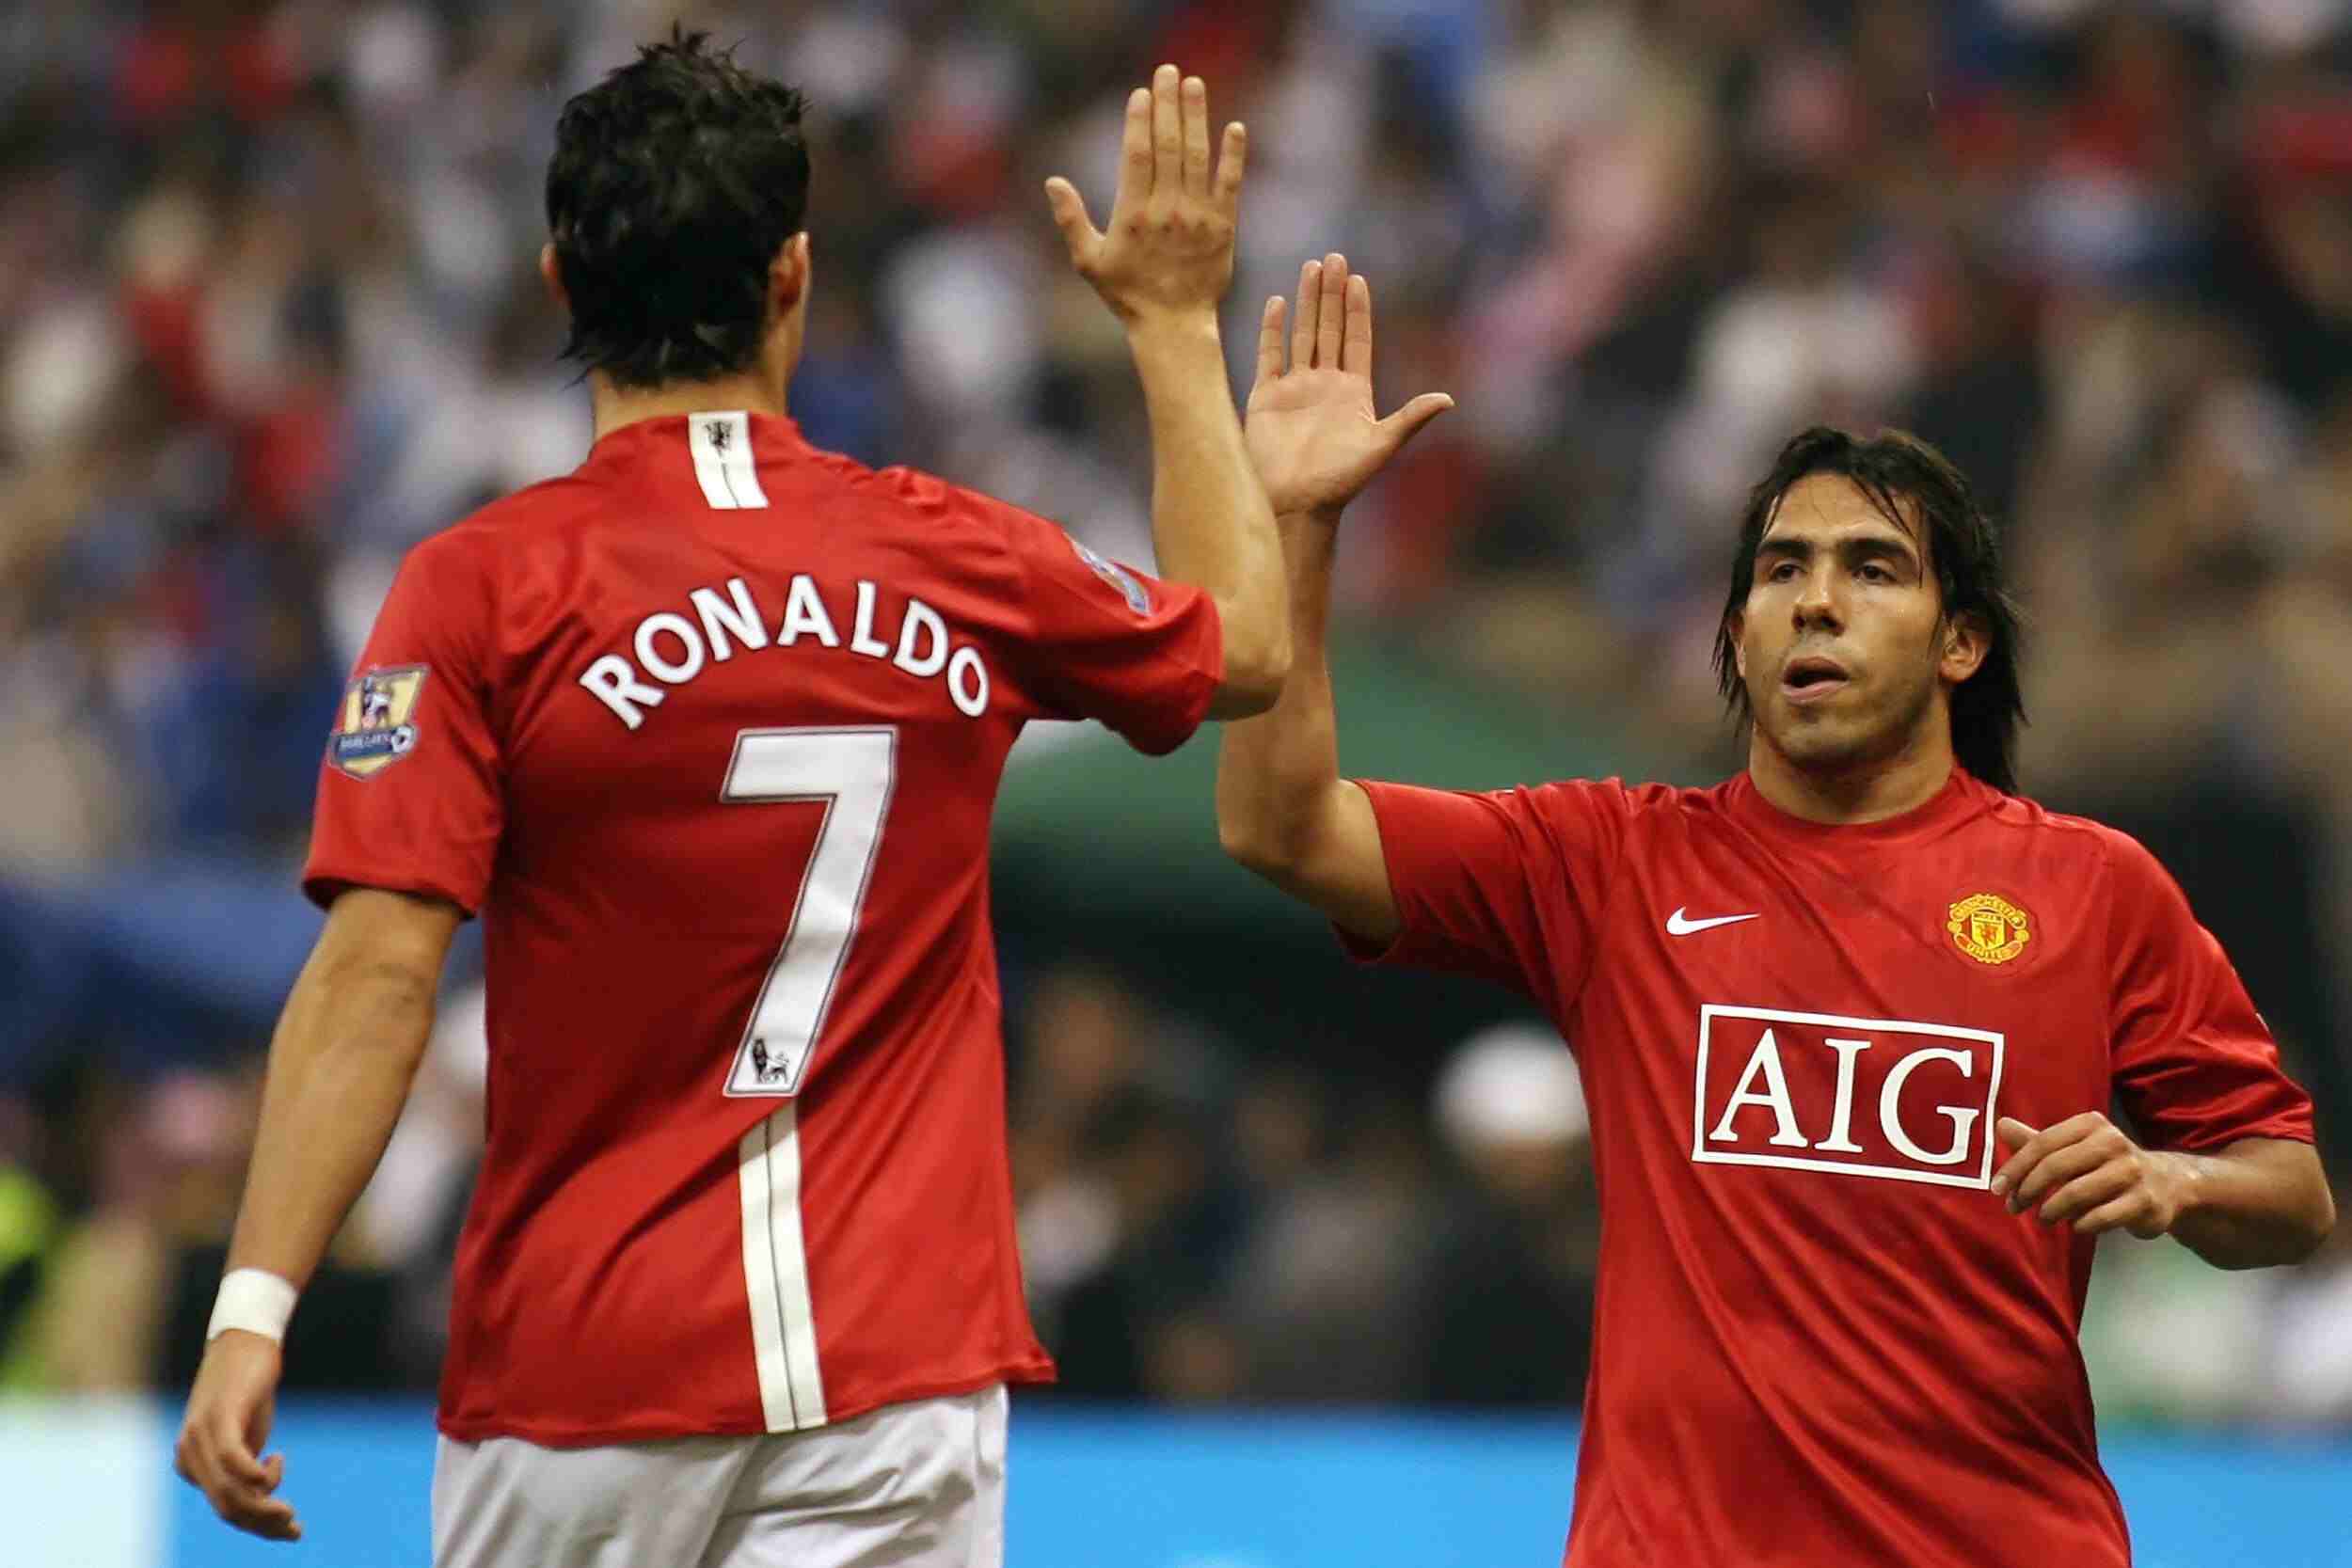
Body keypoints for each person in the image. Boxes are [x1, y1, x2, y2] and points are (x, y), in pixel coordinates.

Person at [174, 37, 1288, 1567]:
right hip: (890, 1381)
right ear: (793, 278)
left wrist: (252, 1310)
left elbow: (376, 978)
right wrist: (1170, 325)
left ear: (559, 283)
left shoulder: (478, 592)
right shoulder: (956, 556)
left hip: (581, 1388)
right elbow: (1248, 647)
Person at [1217, 255, 2336, 1566]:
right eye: (1782, 568)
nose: (1817, 599)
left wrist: (2170, 1178)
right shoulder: (1613, 864)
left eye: (1874, 569)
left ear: (1960, 643)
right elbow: (1280, 826)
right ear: (1738, 634)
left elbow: (2293, 1193)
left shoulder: (2092, 888)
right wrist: (1296, 526)